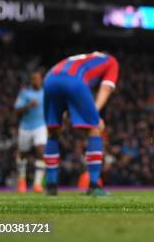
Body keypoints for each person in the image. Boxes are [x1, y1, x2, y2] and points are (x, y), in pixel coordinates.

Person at [42, 52, 119, 196]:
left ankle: (51, 186)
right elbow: (106, 88)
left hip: (49, 78)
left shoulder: (81, 58)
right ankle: (94, 185)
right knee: (95, 128)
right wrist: (94, 115)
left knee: (52, 131)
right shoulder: (111, 61)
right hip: (73, 80)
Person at [14, 71, 46, 193]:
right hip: (26, 127)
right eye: (34, 79)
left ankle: (37, 184)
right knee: (23, 154)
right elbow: (16, 111)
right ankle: (21, 180)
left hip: (40, 126)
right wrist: (28, 105)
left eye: (38, 78)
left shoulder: (46, 93)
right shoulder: (25, 93)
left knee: (41, 151)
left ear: (41, 79)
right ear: (31, 80)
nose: (36, 81)